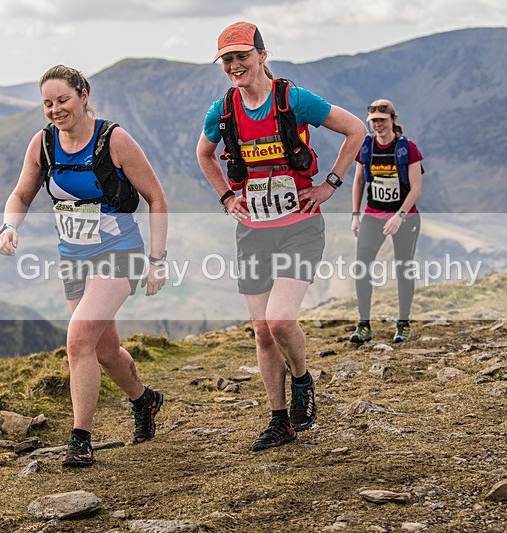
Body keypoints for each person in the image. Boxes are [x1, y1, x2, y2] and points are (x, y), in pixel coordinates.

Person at [196, 22, 366, 451]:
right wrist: (225, 198)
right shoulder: (222, 111)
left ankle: (303, 378)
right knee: (261, 330)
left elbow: (356, 130)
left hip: (299, 226)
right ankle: (278, 419)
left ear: (262, 55)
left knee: (280, 319)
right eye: (228, 60)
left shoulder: (293, 100)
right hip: (252, 232)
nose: (235, 65)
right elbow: (204, 154)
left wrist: (330, 183)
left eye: (242, 56)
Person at [0, 65, 168, 467]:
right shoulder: (42, 144)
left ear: (84, 94)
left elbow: (156, 198)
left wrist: (157, 261)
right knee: (104, 351)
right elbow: (21, 194)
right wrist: (8, 227)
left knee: (77, 340)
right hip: (73, 258)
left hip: (120, 253)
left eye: (63, 100)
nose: (55, 110)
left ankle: (80, 439)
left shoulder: (115, 140)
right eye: (48, 103)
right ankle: (145, 401)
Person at [349, 99, 423, 344]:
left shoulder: (407, 148)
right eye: (373, 122)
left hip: (405, 217)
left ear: (392, 119)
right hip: (373, 214)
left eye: (381, 120)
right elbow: (359, 182)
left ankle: (403, 324)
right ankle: (363, 325)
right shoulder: (366, 148)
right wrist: (355, 216)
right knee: (362, 267)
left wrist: (399, 216)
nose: (377, 126)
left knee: (403, 268)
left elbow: (416, 188)